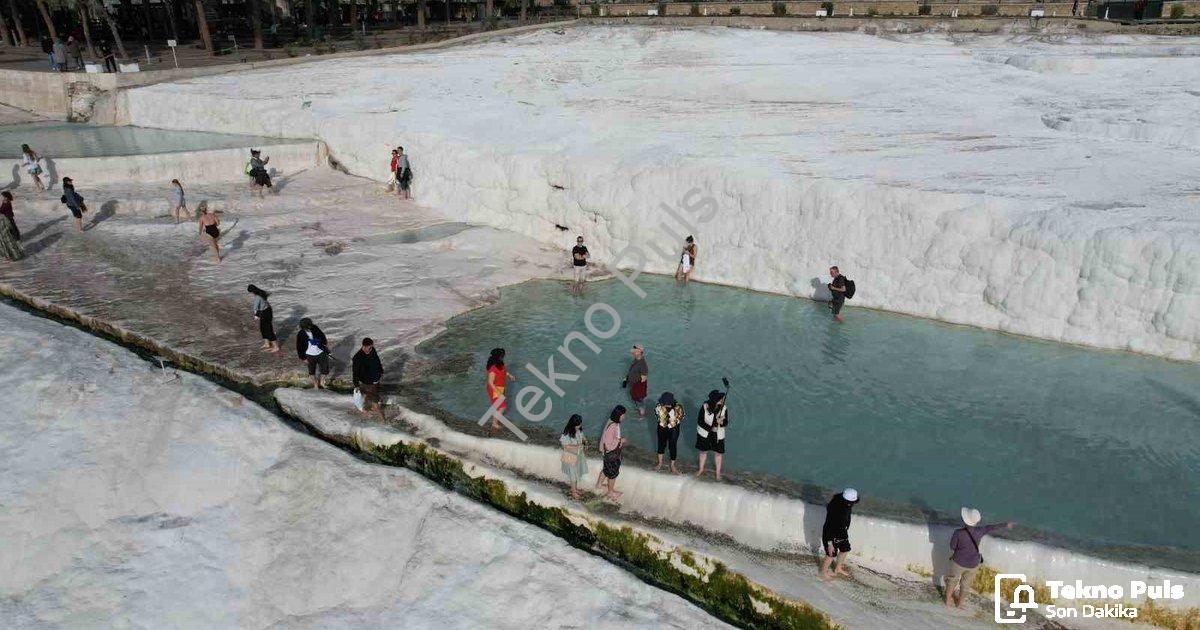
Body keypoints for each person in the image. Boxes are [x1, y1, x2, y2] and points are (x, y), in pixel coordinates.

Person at [945, 508, 1015, 608]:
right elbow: (991, 527)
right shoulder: (980, 531)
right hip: (973, 564)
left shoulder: (958, 533)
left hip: (958, 562)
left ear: (965, 520)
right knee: (966, 585)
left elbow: (952, 546)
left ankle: (948, 600)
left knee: (952, 580)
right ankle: (960, 604)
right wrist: (1006, 524)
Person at [820, 488, 859, 580]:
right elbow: (829, 527)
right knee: (831, 554)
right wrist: (830, 543)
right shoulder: (835, 510)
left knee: (845, 549)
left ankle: (838, 568)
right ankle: (823, 573)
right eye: (850, 502)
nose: (852, 504)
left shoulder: (844, 502)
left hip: (842, 532)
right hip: (831, 534)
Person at [594, 405, 627, 501]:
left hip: (607, 454)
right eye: (623, 415)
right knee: (613, 474)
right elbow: (609, 445)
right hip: (611, 454)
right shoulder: (613, 426)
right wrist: (620, 441)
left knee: (606, 469)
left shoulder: (611, 421)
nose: (624, 417)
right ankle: (610, 492)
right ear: (619, 415)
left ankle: (599, 485)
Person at [694, 389, 728, 480]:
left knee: (718, 453)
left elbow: (726, 422)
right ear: (714, 401)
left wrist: (721, 422)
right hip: (704, 433)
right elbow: (700, 421)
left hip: (718, 434)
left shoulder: (724, 408)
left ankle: (718, 473)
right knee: (703, 451)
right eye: (720, 399)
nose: (722, 399)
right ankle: (701, 469)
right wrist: (712, 426)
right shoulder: (704, 406)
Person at [352, 337, 386, 422]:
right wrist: (356, 385)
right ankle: (383, 421)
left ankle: (365, 414)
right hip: (367, 382)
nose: (370, 349)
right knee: (374, 402)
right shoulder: (357, 357)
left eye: (371, 347)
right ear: (363, 346)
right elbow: (355, 372)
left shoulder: (372, 350)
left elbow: (377, 361)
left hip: (375, 380)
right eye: (368, 348)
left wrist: (381, 371)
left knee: (369, 398)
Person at [485, 348, 516, 432]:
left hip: (501, 387)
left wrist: (509, 376)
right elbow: (490, 382)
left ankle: (496, 418)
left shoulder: (500, 364)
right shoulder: (492, 369)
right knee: (502, 406)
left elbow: (504, 371)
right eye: (502, 356)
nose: (504, 357)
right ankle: (494, 424)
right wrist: (498, 392)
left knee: (498, 406)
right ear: (498, 357)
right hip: (494, 389)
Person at [560, 414, 589, 500]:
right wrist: (577, 446)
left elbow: (583, 438)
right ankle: (573, 492)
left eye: (580, 424)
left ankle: (575, 489)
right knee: (573, 475)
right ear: (573, 424)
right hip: (570, 456)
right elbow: (565, 446)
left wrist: (585, 442)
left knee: (576, 473)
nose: (579, 426)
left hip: (578, 455)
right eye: (578, 425)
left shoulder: (579, 430)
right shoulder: (567, 433)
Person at [295, 318, 330, 389]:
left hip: (320, 352)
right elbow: (299, 347)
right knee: (311, 371)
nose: (309, 328)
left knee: (325, 369)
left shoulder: (315, 328)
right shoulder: (300, 334)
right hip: (309, 355)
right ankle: (315, 384)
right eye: (307, 327)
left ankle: (322, 382)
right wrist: (303, 358)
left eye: (309, 326)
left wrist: (319, 341)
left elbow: (323, 337)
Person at [654, 391, 683, 473]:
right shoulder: (658, 406)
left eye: (664, 403)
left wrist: (671, 422)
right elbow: (657, 416)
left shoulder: (678, 407)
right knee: (661, 446)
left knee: (672, 447)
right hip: (662, 428)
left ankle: (672, 465)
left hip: (674, 429)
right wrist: (669, 420)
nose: (662, 404)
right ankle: (660, 463)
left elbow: (681, 417)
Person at [247, 284, 279, 352]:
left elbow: (256, 308)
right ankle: (267, 344)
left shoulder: (257, 297)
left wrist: (256, 315)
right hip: (267, 311)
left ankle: (276, 347)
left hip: (265, 313)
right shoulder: (261, 293)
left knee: (268, 330)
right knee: (263, 328)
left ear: (252, 291)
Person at [623, 344, 648, 417]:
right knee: (636, 400)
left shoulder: (643, 365)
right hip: (633, 386)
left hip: (638, 388)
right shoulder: (636, 360)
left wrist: (635, 388)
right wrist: (627, 378)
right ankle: (639, 409)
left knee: (639, 401)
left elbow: (643, 379)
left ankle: (642, 415)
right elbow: (633, 370)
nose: (633, 353)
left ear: (639, 353)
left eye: (634, 352)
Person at [0, 191, 23, 261]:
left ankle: (15, 254)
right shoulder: (5, 202)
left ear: (6, 197)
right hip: (7, 219)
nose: (2, 197)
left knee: (10, 236)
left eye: (3, 196)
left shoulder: (7, 203)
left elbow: (1, 210)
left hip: (8, 220)